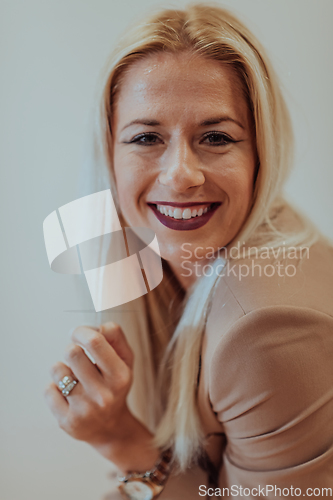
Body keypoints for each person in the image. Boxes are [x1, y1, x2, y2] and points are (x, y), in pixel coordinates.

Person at [44, 3, 333, 499]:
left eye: (216, 137)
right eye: (147, 137)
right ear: (110, 154)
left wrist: (120, 440)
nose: (181, 175)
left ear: (261, 153)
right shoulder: (138, 248)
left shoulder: (264, 333)